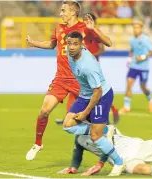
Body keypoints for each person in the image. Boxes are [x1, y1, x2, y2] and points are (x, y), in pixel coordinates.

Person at [26, 0, 112, 161]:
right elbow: (52, 44)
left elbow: (108, 42)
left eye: (63, 10)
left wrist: (94, 29)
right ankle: (38, 143)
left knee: (87, 118)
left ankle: (107, 134)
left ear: (73, 12)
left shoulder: (85, 28)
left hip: (80, 81)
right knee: (44, 111)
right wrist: (33, 43)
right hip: (60, 79)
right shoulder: (59, 28)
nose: (60, 13)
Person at [62, 31, 124, 176]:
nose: (71, 47)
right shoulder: (68, 51)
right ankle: (105, 130)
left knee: (96, 138)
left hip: (102, 95)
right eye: (69, 43)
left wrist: (84, 113)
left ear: (81, 45)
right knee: (67, 125)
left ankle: (119, 163)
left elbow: (98, 92)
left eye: (75, 44)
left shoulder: (88, 66)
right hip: (85, 94)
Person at [55, 13, 119, 125]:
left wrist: (90, 54)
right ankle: (70, 116)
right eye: (84, 19)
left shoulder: (92, 32)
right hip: (80, 68)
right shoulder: (79, 34)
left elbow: (107, 44)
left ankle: (106, 119)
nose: (85, 22)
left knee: (97, 93)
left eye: (88, 20)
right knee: (79, 92)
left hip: (91, 68)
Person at [58, 126, 152, 176]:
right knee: (145, 170)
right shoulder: (79, 138)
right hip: (125, 161)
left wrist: (100, 164)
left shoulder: (103, 126)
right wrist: (73, 168)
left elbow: (107, 145)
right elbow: (77, 154)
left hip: (138, 145)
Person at [119, 19, 152, 114]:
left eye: (138, 27)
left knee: (143, 87)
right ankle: (126, 107)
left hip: (144, 67)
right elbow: (132, 50)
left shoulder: (145, 39)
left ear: (141, 29)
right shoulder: (131, 39)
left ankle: (150, 99)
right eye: (134, 27)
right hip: (133, 66)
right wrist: (129, 58)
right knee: (129, 85)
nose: (136, 29)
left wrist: (144, 56)